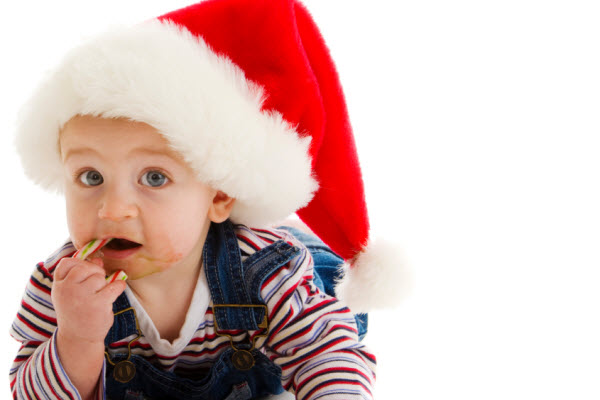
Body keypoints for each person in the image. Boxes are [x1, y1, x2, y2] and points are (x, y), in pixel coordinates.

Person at [9, 0, 404, 399]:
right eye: (91, 177)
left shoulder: (264, 270)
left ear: (219, 195)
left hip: (297, 282)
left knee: (330, 318)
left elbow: (326, 354)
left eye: (154, 177)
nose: (112, 209)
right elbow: (29, 393)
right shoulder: (60, 286)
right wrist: (77, 338)